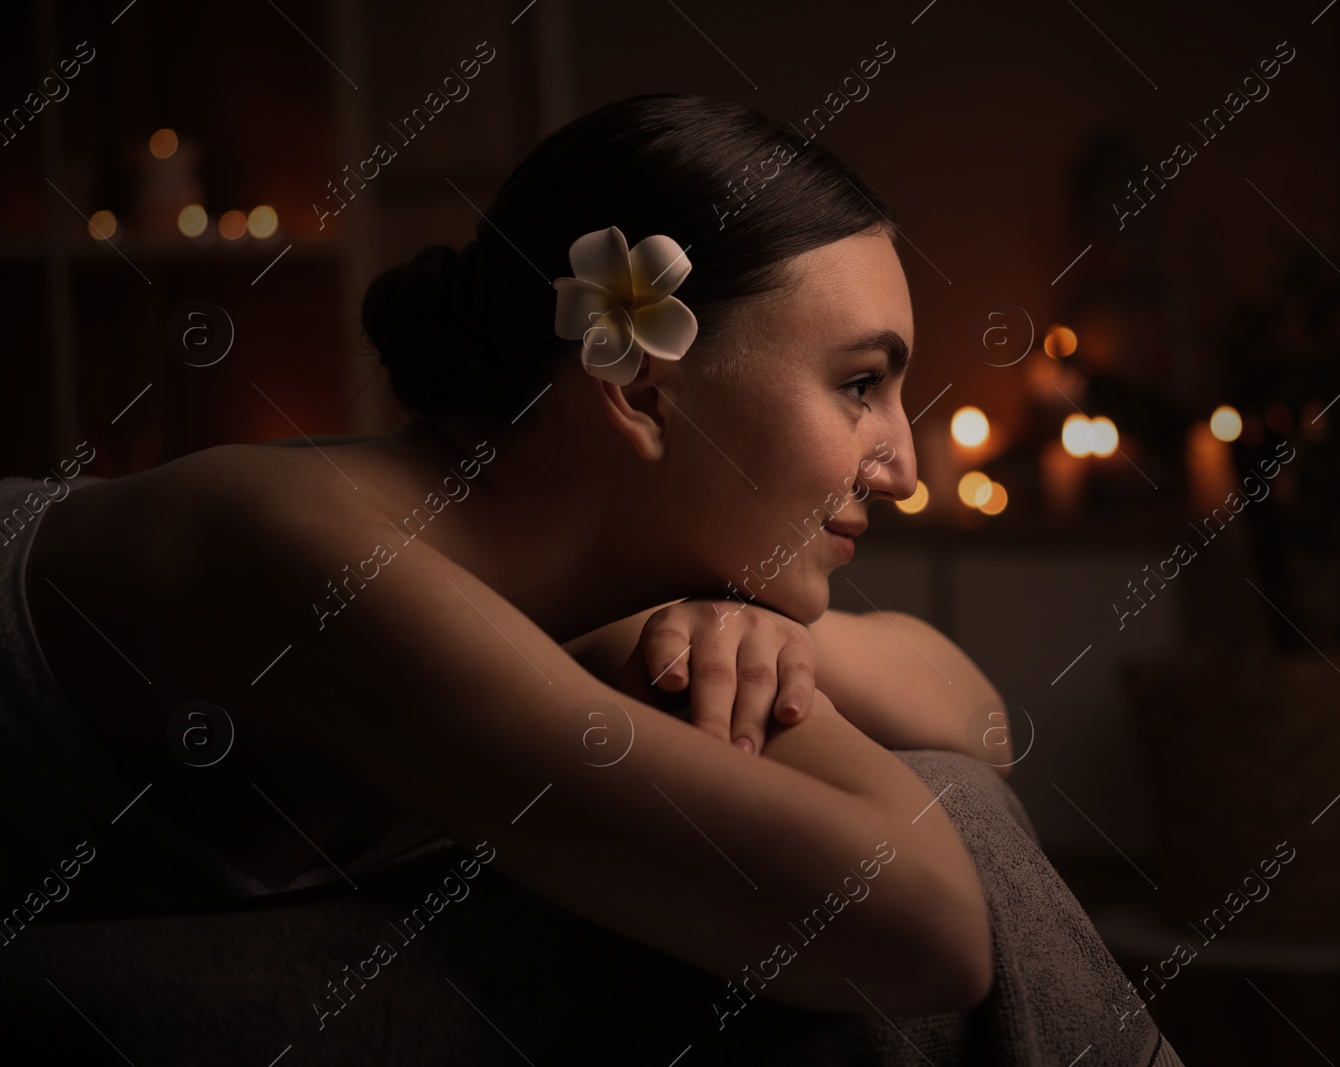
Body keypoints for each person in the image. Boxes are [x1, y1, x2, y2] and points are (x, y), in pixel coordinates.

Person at [5, 93, 1005, 1018]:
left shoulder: (624, 578)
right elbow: (932, 930)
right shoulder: (318, 560)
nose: (903, 467)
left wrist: (766, 643)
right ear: (645, 391)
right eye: (860, 383)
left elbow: (978, 717)